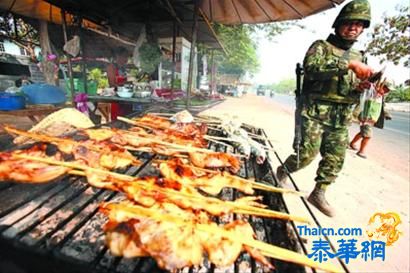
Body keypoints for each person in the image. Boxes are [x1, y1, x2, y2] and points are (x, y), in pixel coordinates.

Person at [275, 0, 374, 217]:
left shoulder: (360, 56)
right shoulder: (321, 46)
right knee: (306, 155)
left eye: (359, 24)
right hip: (314, 112)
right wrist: (347, 65)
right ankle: (282, 171)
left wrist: (363, 87)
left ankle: (319, 193)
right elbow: (312, 70)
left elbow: (351, 89)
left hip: (340, 117)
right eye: (349, 23)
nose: (353, 28)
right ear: (338, 24)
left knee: (335, 159)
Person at [349, 82, 392, 158]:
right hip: (366, 118)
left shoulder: (381, 96)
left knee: (363, 133)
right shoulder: (371, 93)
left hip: (371, 119)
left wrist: (386, 114)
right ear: (381, 86)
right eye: (386, 89)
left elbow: (381, 108)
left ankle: (352, 143)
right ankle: (361, 151)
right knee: (368, 136)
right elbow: (363, 100)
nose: (387, 92)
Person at [106, 46, 132, 120]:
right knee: (118, 120)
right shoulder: (111, 67)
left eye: (127, 57)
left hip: (125, 99)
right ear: (117, 56)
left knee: (127, 120)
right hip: (116, 99)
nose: (126, 59)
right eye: (124, 56)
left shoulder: (122, 68)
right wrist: (126, 83)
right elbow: (112, 84)